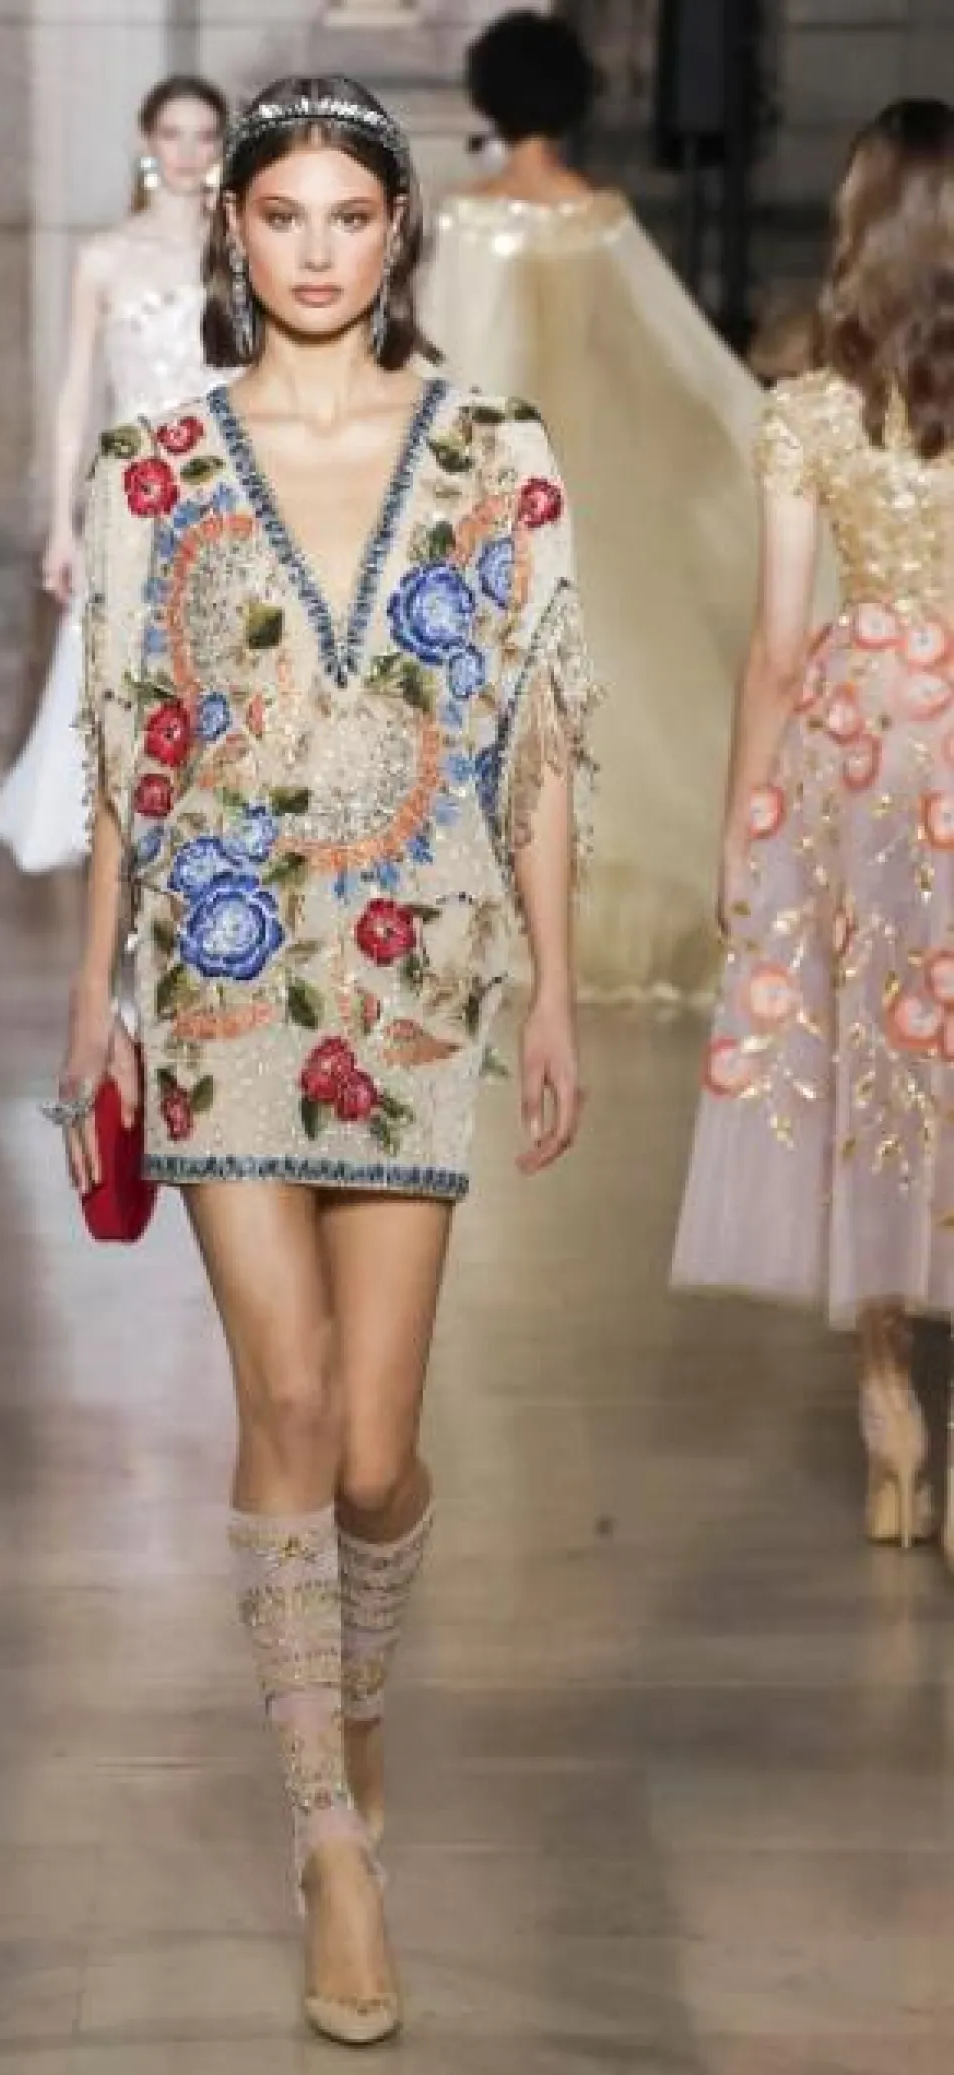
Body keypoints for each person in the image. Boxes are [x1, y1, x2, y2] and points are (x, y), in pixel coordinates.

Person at [47, 73, 599, 2043]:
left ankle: (356, 1703)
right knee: (281, 1398)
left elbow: (537, 727)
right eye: (278, 214)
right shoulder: (155, 462)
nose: (311, 248)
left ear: (397, 233)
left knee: (373, 1452)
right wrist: (95, 993)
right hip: (218, 978)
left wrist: (552, 984)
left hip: (416, 980)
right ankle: (328, 1840)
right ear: (234, 229)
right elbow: (132, 740)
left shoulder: (497, 453)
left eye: (347, 216)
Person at [672, 100, 954, 1568]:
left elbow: (779, 645)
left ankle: (890, 1403)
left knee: (872, 1051)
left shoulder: (809, 412)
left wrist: (739, 827)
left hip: (863, 743)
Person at [424, 8, 784, 1003]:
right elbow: (668, 348)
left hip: (491, 482)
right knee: (613, 686)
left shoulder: (464, 220)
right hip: (590, 481)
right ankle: (601, 898)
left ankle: (493, 904)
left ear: (487, 97)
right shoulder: (603, 218)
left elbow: (447, 360)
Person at [0, 74, 229, 874]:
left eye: (204, 135)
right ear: (147, 142)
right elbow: (74, 396)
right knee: (122, 662)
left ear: (220, 148)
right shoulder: (104, 257)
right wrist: (62, 522)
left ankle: (204, 823)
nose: (187, 151)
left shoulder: (240, 254)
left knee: (216, 660)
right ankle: (123, 822)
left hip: (224, 483)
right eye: (173, 134)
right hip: (135, 487)